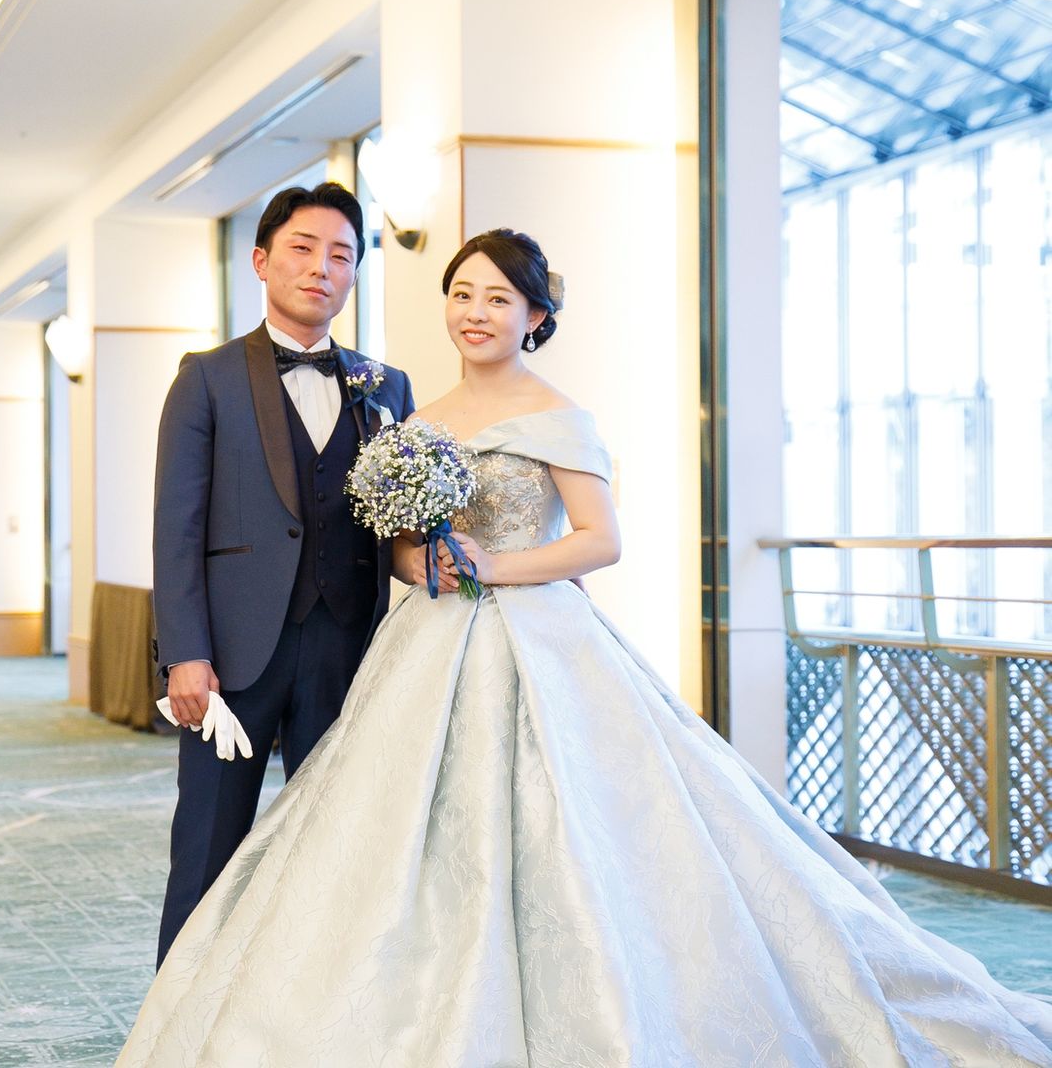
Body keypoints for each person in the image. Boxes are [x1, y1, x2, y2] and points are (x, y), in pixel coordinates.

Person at [122, 229, 1052, 1066]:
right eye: (462, 294)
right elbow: (393, 546)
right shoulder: (413, 410)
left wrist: (496, 565)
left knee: (568, 828)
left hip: (539, 641)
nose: (475, 312)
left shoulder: (558, 414)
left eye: (497, 298)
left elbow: (600, 541)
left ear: (534, 317)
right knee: (377, 835)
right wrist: (419, 560)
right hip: (424, 641)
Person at [150, 181, 414, 968]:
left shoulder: (386, 387)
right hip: (231, 659)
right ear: (262, 261)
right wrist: (184, 655)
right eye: (303, 248)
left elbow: (400, 522)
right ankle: (178, 1018)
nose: (321, 268)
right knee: (207, 845)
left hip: (347, 651)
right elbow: (176, 529)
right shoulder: (206, 377)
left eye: (342, 255)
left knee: (336, 847)